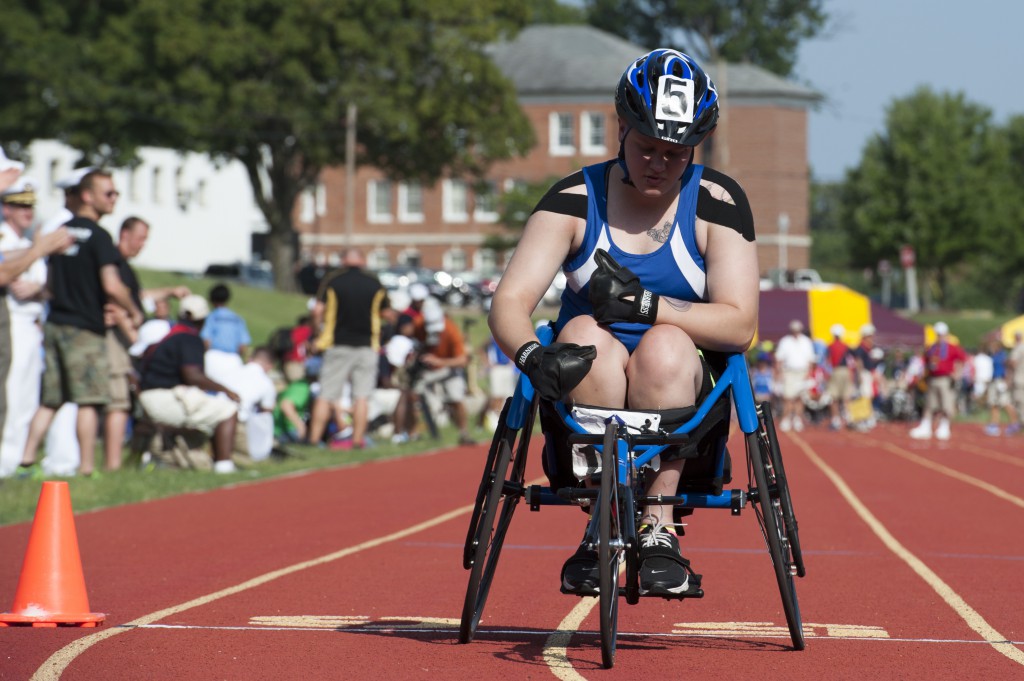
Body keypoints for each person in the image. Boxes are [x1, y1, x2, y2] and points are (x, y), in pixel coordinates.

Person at [489, 48, 757, 597]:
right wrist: (529, 356)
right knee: (584, 335)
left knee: (664, 344)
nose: (659, 163)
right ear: (620, 129)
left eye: (676, 153)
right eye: (646, 148)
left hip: (684, 390)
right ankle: (602, 515)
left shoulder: (717, 202)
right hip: (586, 386)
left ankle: (658, 522)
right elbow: (510, 301)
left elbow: (739, 325)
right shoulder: (571, 198)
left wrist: (645, 307)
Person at [18, 169, 143, 478]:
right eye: (109, 193)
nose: (114, 199)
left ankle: (27, 458)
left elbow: (49, 285)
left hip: (56, 323)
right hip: (85, 328)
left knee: (51, 398)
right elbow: (112, 285)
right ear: (88, 196)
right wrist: (133, 309)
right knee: (89, 400)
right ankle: (88, 467)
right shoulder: (100, 237)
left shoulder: (60, 233)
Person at [103, 216, 191, 471]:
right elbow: (117, 300)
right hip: (117, 341)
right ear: (125, 235)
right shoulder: (114, 264)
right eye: (140, 238)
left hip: (126, 341)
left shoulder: (124, 268)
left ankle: (121, 460)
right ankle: (112, 465)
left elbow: (137, 298)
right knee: (117, 403)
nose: (143, 245)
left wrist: (169, 291)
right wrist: (131, 322)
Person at [0, 179, 74, 476]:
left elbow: (44, 289)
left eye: (30, 205)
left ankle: (17, 457)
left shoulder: (27, 243)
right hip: (13, 323)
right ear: (7, 209)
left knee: (28, 397)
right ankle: (6, 460)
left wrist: (38, 290)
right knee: (13, 393)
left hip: (33, 324)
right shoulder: (6, 240)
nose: (27, 211)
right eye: (20, 205)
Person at [136, 295, 241, 473]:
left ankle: (163, 458)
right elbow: (193, 376)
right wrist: (227, 390)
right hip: (165, 398)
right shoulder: (189, 338)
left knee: (204, 414)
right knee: (227, 410)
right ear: (203, 319)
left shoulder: (169, 337)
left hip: (147, 398)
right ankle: (224, 465)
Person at [307, 247, 390, 450]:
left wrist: (317, 334)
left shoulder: (333, 280)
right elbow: (386, 313)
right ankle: (357, 440)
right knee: (361, 396)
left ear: (344, 260)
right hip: (366, 345)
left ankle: (313, 440)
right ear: (362, 260)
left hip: (337, 343)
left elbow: (318, 310)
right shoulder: (374, 282)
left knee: (326, 394)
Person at [413, 297, 475, 446]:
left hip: (449, 368)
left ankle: (463, 433)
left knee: (456, 397)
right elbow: (416, 342)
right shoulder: (419, 324)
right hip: (429, 370)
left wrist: (440, 361)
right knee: (414, 395)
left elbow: (462, 360)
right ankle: (416, 432)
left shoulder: (451, 330)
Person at [910, 322, 966, 441]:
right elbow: (925, 361)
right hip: (932, 379)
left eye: (941, 335)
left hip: (945, 379)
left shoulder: (952, 347)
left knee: (946, 404)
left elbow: (963, 359)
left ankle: (944, 427)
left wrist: (957, 373)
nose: (939, 337)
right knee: (930, 404)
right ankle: (926, 427)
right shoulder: (932, 348)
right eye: (938, 334)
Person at [774, 320, 817, 432]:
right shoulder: (785, 341)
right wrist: (778, 374)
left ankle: (797, 419)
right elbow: (779, 359)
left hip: (802, 372)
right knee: (788, 397)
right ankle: (786, 418)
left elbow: (810, 360)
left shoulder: (806, 341)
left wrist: (809, 374)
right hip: (789, 372)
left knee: (800, 397)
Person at [201, 283, 252, 357]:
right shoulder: (238, 319)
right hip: (233, 357)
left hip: (213, 355)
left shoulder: (211, 317)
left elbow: (206, 341)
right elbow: (243, 346)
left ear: (212, 299)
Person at [983, 335, 1021, 436]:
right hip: (994, 380)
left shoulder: (1002, 355)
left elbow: (1008, 369)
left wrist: (1006, 381)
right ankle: (994, 424)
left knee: (1005, 402)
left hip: (1000, 381)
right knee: (994, 403)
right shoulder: (994, 355)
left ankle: (1015, 422)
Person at [824, 324, 855, 430]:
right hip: (846, 372)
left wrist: (827, 375)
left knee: (834, 397)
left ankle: (836, 420)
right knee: (846, 397)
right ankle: (848, 418)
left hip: (835, 371)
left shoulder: (830, 346)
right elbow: (851, 362)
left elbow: (827, 361)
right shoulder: (846, 346)